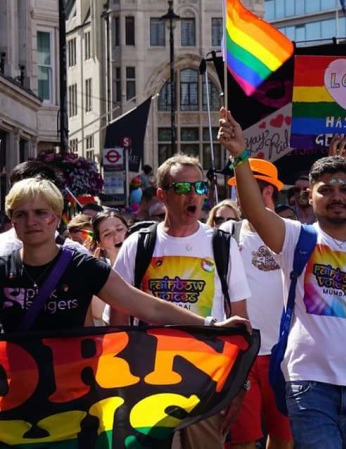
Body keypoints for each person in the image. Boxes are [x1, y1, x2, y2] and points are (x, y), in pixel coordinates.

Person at [218, 108, 346, 449]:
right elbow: (254, 210)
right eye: (326, 189)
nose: (337, 196)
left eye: (344, 188)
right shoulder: (296, 238)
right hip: (309, 387)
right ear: (309, 197)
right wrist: (241, 155)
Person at [111, 154, 251, 448]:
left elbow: (239, 321)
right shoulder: (139, 244)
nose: (193, 196)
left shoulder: (222, 245)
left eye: (199, 188)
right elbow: (119, 317)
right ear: (162, 195)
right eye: (183, 188)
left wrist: (239, 385)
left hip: (206, 379)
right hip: (147, 380)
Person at [0, 177, 250, 335]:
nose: (31, 221)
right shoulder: (3, 269)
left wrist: (211, 325)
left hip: (74, 397)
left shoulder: (80, 267)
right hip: (17, 399)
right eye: (21, 214)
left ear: (55, 217)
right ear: (12, 220)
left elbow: (147, 306)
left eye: (40, 212)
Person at [222, 159, 294, 449]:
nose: (239, 197)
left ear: (267, 192)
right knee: (240, 440)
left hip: (284, 355)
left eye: (244, 189)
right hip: (240, 354)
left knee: (282, 437)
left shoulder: (293, 233)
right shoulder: (226, 233)